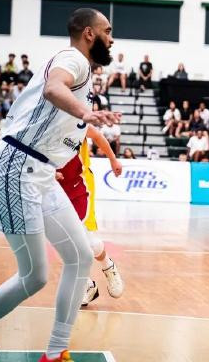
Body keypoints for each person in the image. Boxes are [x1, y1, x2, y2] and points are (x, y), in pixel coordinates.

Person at [0, 8, 121, 362]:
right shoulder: (73, 60)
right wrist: (84, 113)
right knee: (34, 276)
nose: (112, 37)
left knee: (80, 257)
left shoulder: (84, 74)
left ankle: (56, 353)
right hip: (16, 166)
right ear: (89, 33)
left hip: (38, 170)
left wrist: (53, 162)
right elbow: (53, 87)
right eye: (107, 30)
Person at [56, 126, 124, 307]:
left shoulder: (77, 121)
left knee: (88, 241)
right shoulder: (44, 124)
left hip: (81, 185)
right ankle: (87, 286)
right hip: (56, 188)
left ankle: (108, 267)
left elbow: (99, 137)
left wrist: (113, 160)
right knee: (65, 243)